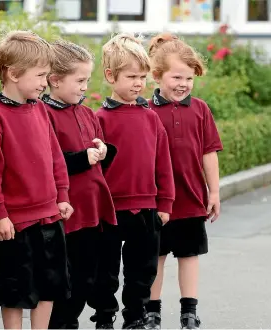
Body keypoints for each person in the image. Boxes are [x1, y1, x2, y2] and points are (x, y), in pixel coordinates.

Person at [0, 30, 74, 330]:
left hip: (50, 217)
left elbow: (55, 157)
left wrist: (63, 196)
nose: (45, 83)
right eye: (40, 75)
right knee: (15, 290)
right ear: (13, 74)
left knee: (50, 285)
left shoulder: (41, 109)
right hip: (17, 224)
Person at [88, 33, 176, 329]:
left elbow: (163, 163)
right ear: (111, 76)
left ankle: (135, 317)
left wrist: (165, 202)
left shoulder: (151, 119)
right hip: (110, 210)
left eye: (142, 77)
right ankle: (103, 315)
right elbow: (94, 170)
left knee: (143, 269)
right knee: (105, 269)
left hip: (146, 207)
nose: (139, 83)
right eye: (131, 77)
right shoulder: (99, 119)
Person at [144, 33, 223, 330]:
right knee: (157, 256)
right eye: (177, 76)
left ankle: (189, 311)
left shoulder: (200, 109)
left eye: (189, 78)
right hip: (156, 199)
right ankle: (151, 311)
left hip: (191, 197)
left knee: (189, 255)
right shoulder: (145, 110)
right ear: (157, 75)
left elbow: (209, 153)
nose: (183, 84)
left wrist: (213, 192)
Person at [41, 39, 118, 329]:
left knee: (89, 277)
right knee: (66, 281)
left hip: (93, 211)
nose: (85, 86)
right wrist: (83, 158)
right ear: (55, 80)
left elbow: (98, 163)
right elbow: (50, 162)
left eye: (87, 79)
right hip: (66, 213)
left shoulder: (86, 113)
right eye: (80, 80)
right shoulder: (44, 115)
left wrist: (104, 151)